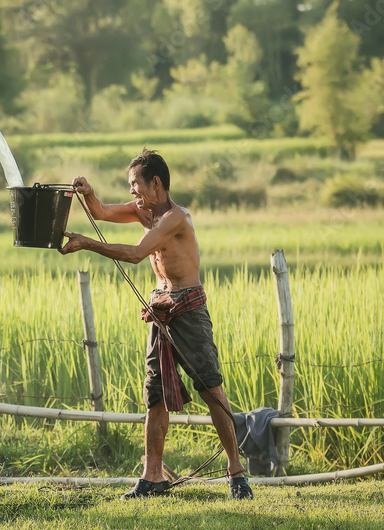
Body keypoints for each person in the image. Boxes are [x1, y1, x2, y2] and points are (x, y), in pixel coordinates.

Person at [59, 149, 253, 500]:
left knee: (210, 389)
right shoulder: (142, 212)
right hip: (161, 309)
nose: (132, 192)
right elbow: (101, 213)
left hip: (189, 310)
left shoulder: (176, 218)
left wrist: (86, 244)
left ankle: (236, 474)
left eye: (135, 184)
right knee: (155, 396)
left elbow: (135, 255)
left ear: (157, 183)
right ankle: (152, 478)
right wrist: (89, 195)